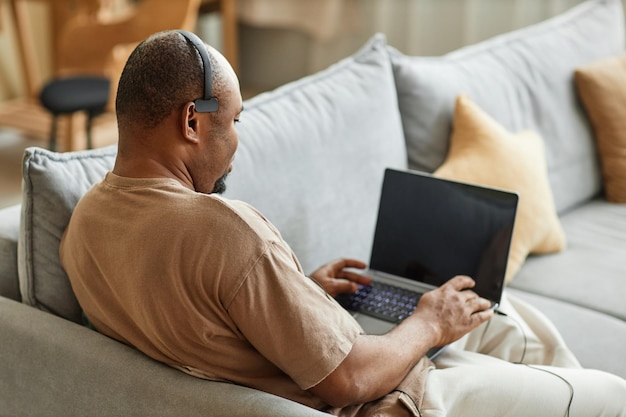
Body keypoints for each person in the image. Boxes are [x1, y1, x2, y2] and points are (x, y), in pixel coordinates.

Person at [60, 30, 626, 417]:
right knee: (610, 394)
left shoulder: (85, 223)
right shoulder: (225, 230)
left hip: (325, 357)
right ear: (192, 121)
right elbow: (348, 379)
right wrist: (429, 323)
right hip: (387, 397)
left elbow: (193, 313)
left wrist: (297, 291)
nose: (236, 141)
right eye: (232, 121)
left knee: (499, 317)